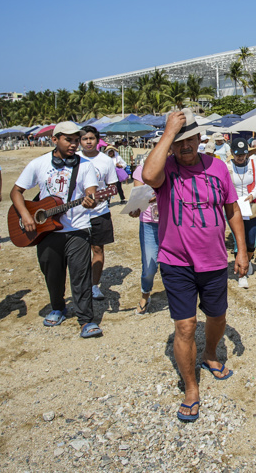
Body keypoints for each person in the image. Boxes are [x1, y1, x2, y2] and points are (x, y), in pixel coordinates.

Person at [140, 109, 248, 423]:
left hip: (213, 260)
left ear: (200, 138)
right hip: (176, 262)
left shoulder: (218, 167)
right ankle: (191, 388)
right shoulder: (165, 169)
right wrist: (168, 132)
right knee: (185, 326)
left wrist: (241, 251)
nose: (185, 146)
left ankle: (210, 353)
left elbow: (232, 210)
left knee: (217, 316)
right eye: (179, 141)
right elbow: (148, 177)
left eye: (190, 139)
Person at [11, 122, 102, 338]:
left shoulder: (85, 165)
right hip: (46, 230)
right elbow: (16, 191)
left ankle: (86, 320)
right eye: (68, 140)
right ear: (54, 139)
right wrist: (25, 215)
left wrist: (91, 200)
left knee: (80, 275)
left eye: (76, 140)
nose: (73, 144)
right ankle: (58, 308)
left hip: (78, 228)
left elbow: (92, 192)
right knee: (52, 274)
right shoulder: (38, 163)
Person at [78, 126, 120, 302]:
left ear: (97, 140)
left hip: (99, 212)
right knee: (77, 253)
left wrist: (102, 197)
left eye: (91, 138)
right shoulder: (74, 159)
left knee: (97, 249)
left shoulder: (106, 160)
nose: (88, 142)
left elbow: (113, 186)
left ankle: (94, 286)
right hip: (76, 215)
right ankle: (80, 285)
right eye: (84, 139)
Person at [226, 138, 256, 288]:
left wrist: (252, 194)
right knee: (238, 240)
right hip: (234, 207)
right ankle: (242, 274)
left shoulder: (252, 164)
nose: (240, 157)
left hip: (249, 206)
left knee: (251, 240)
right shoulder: (227, 166)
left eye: (243, 154)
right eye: (237, 154)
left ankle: (248, 260)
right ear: (232, 153)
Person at [130, 157, 160, 315]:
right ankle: (145, 294)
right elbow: (137, 197)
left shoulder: (174, 166)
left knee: (173, 264)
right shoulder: (141, 169)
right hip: (149, 223)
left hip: (172, 223)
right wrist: (135, 208)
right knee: (149, 266)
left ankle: (176, 297)